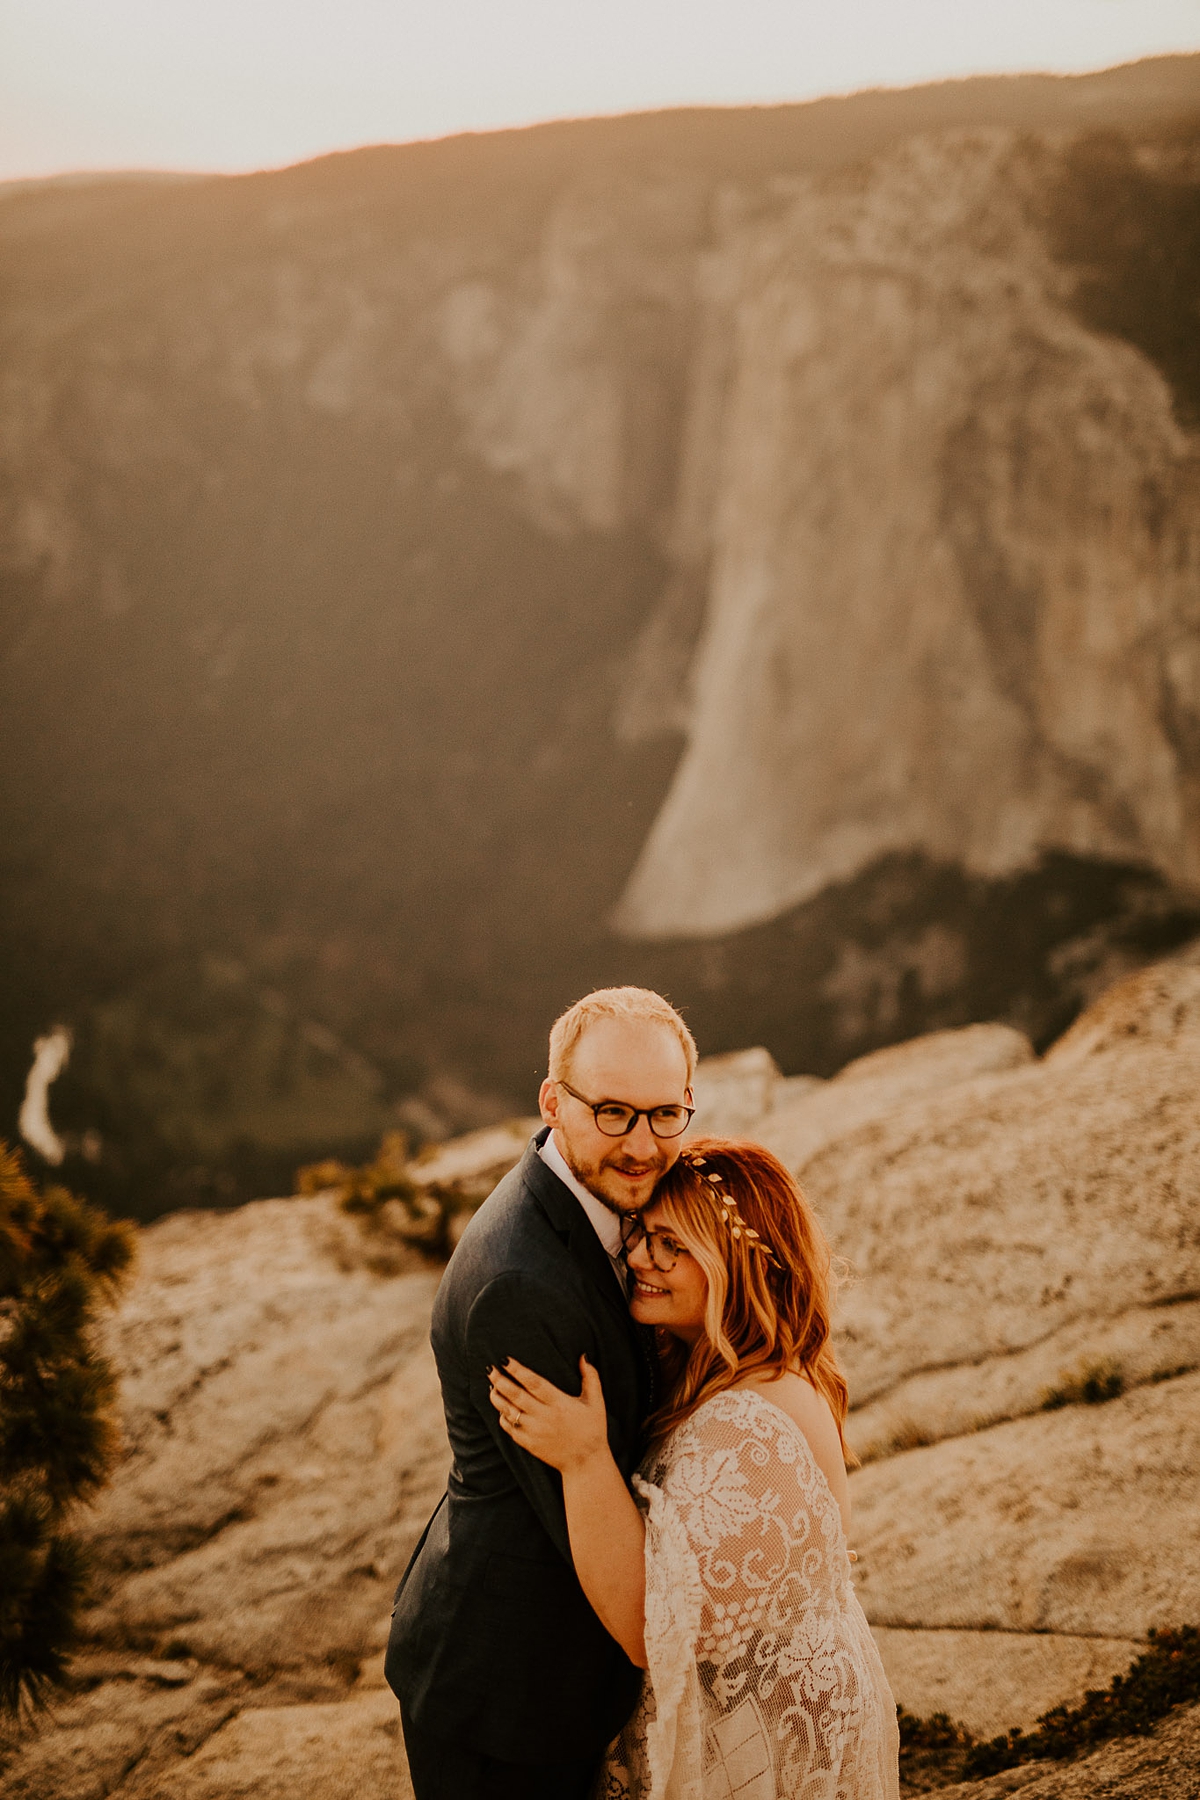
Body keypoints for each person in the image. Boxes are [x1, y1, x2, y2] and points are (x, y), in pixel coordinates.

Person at [488, 1137, 900, 1800]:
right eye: (641, 1234)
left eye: (672, 1246)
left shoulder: (748, 1425)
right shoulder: (740, 1377)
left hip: (755, 1757)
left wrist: (583, 1458)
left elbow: (651, 1629)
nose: (641, 1258)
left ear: (737, 1265)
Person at [385, 987, 699, 1799]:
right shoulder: (521, 1288)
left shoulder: (597, 1199)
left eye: (666, 1114)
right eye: (613, 1113)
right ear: (554, 1103)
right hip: (507, 1693)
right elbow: (588, 1522)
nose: (641, 1145)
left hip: (545, 1677)